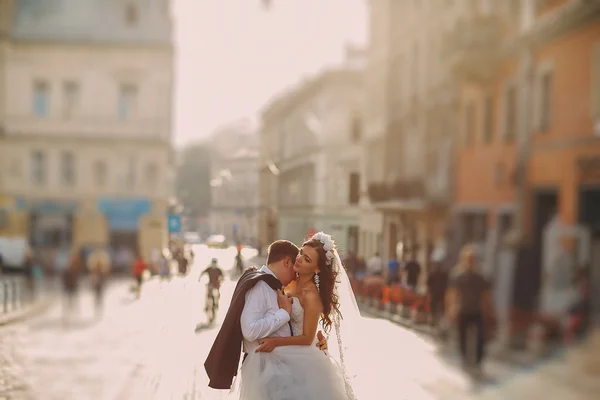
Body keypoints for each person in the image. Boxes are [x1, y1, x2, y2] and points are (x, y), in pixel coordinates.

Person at [236, 233, 358, 399]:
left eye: (307, 259)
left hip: (303, 355)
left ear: (317, 269)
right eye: (301, 253)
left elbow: (307, 338)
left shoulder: (311, 295)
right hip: (280, 356)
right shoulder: (288, 281)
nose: (299, 259)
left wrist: (275, 342)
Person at [450, 245, 491, 373]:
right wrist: (452, 308)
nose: (470, 261)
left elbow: (485, 295)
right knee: (462, 336)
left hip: (477, 310)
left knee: (480, 337)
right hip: (463, 310)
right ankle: (464, 357)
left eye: (472, 259)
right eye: (468, 259)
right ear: (463, 260)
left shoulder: (480, 276)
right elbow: (453, 293)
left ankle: (478, 360)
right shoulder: (458, 275)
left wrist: (488, 310)